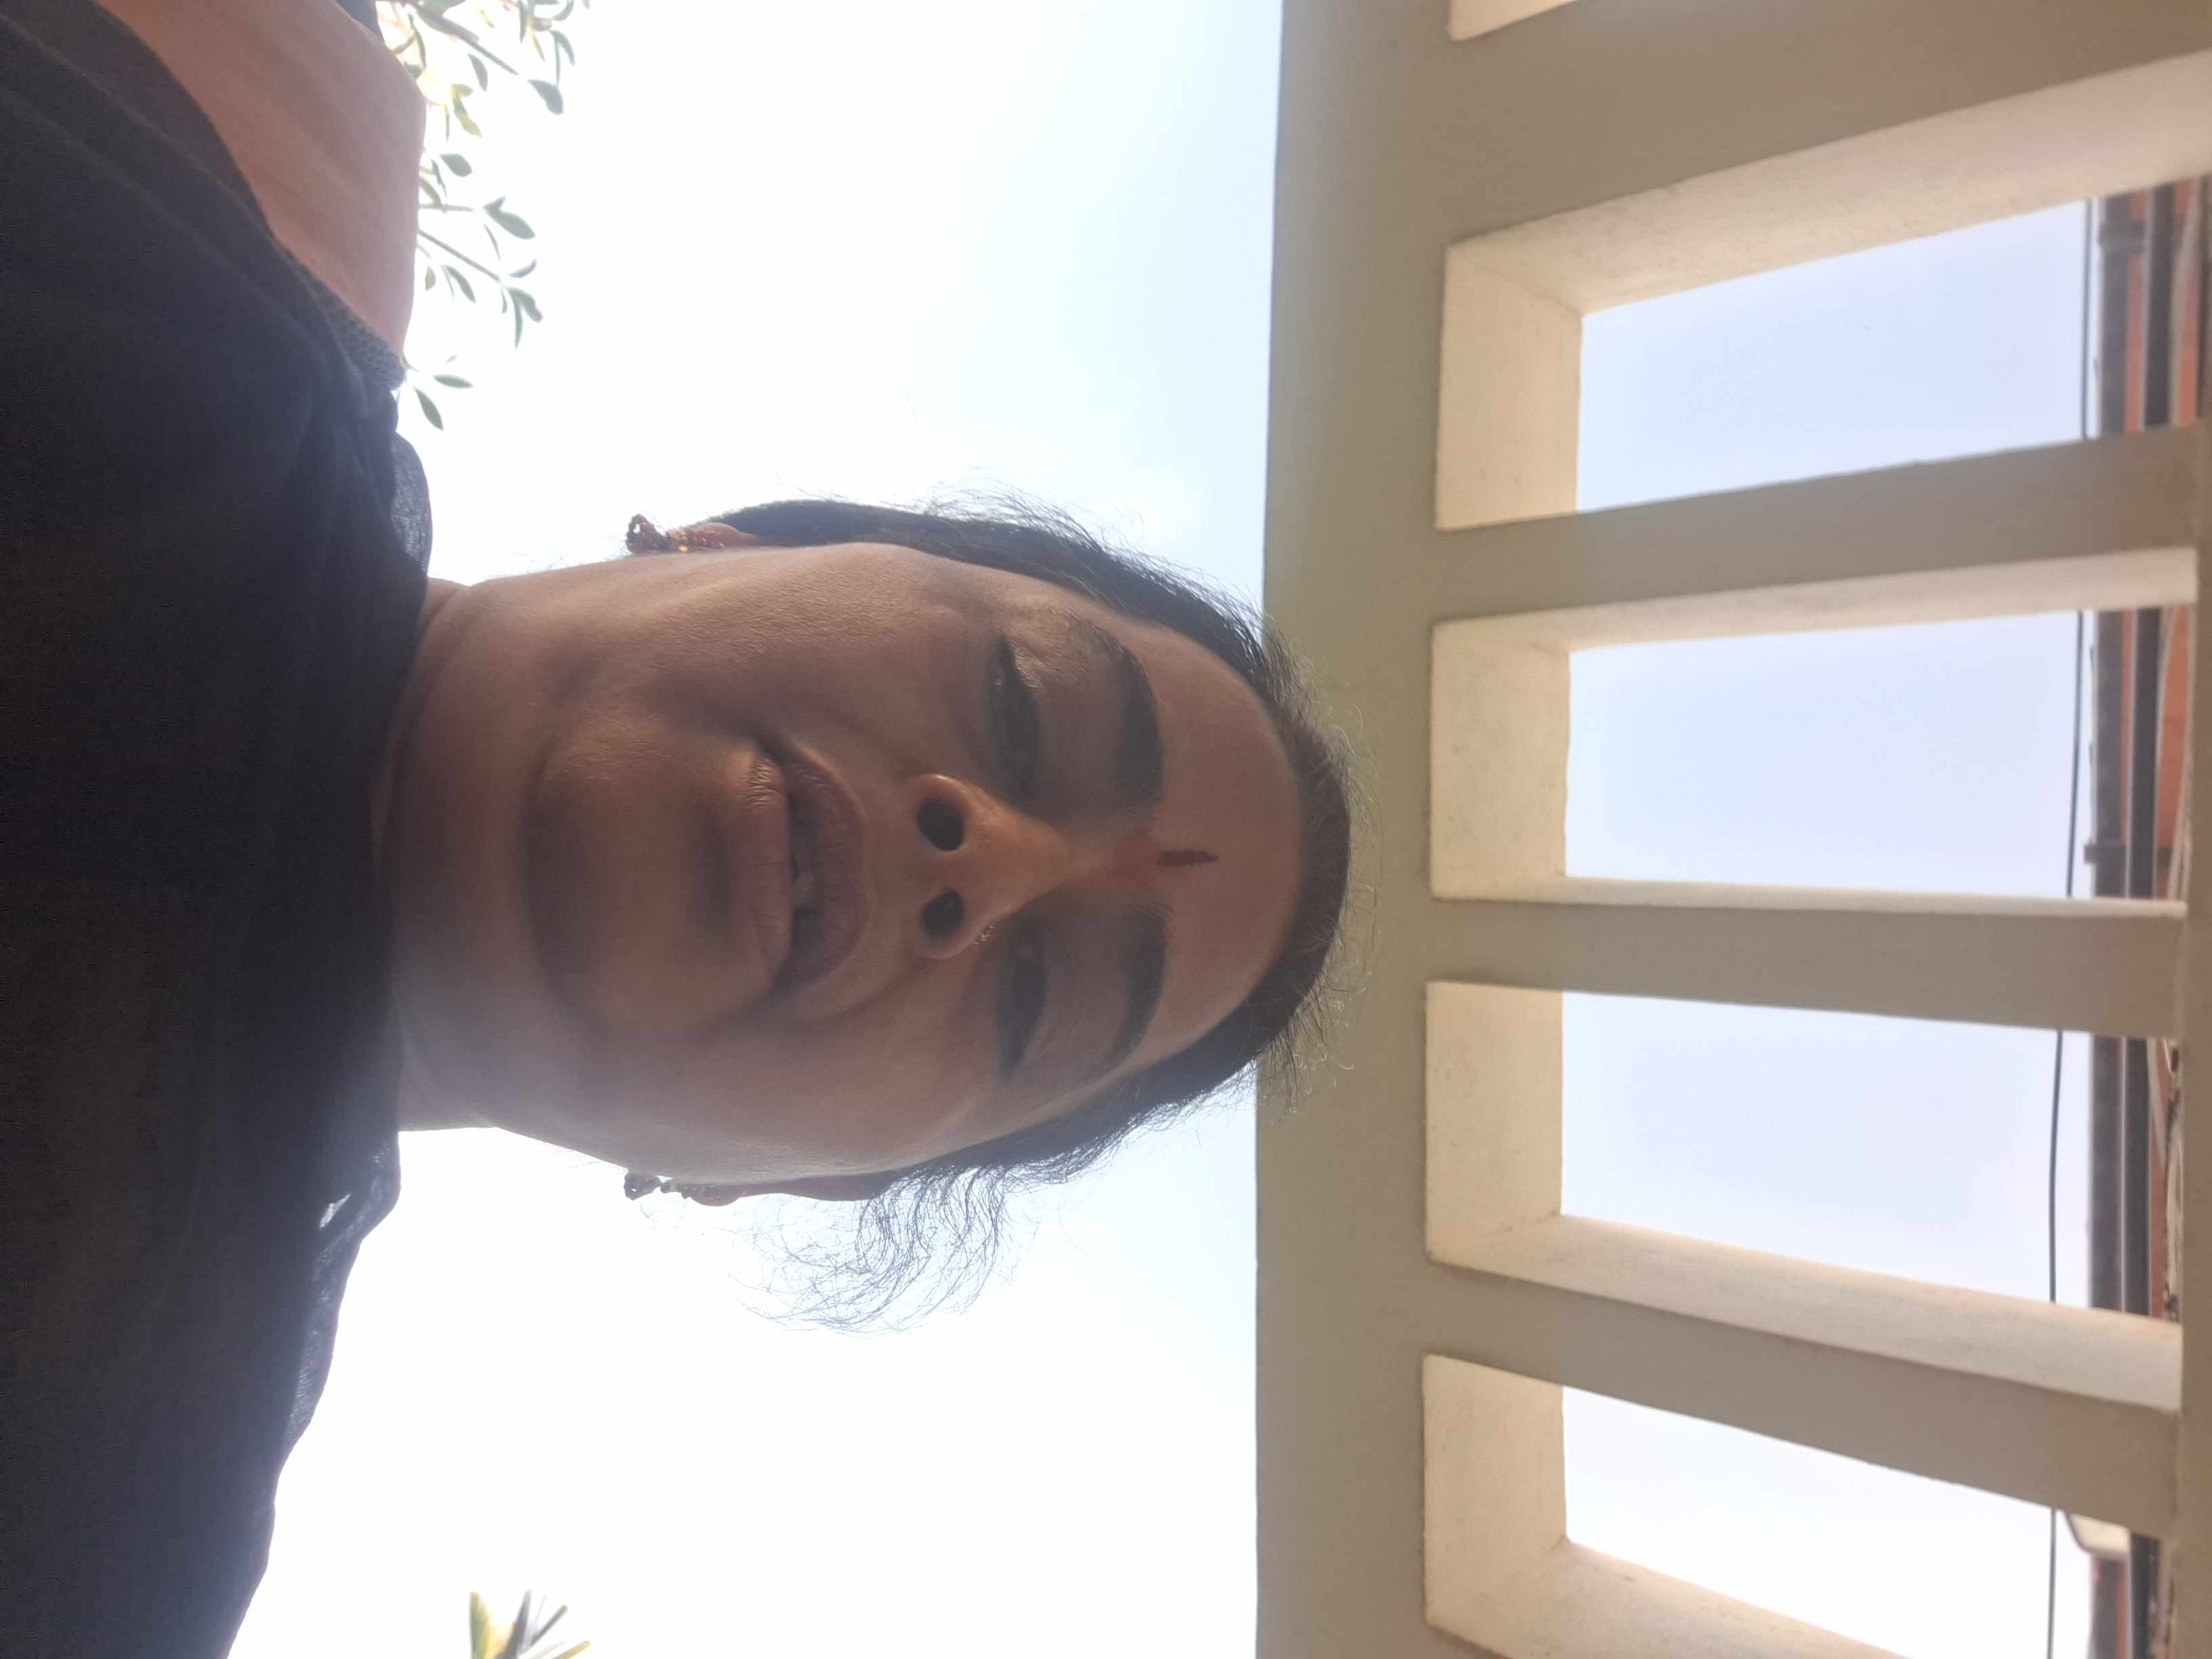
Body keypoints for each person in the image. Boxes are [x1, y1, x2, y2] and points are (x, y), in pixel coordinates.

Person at [0, 0, 1355, 1654]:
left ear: (812, 1180)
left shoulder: (98, 1533)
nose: (983, 861)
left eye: (1032, 1002)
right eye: (1022, 704)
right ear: (738, 541)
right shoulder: (132, 190)